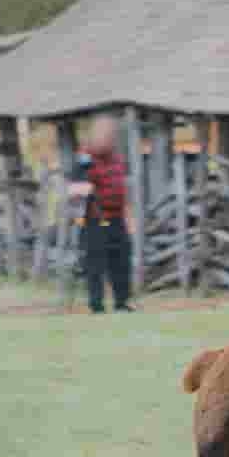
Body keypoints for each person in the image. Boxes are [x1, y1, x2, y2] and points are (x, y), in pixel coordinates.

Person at [66, 115, 134, 314]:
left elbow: (123, 189)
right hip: (94, 219)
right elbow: (75, 193)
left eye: (111, 135)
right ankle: (96, 304)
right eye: (105, 134)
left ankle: (122, 302)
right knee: (95, 263)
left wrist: (129, 216)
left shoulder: (117, 159)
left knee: (121, 260)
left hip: (117, 217)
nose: (109, 139)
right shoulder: (84, 160)